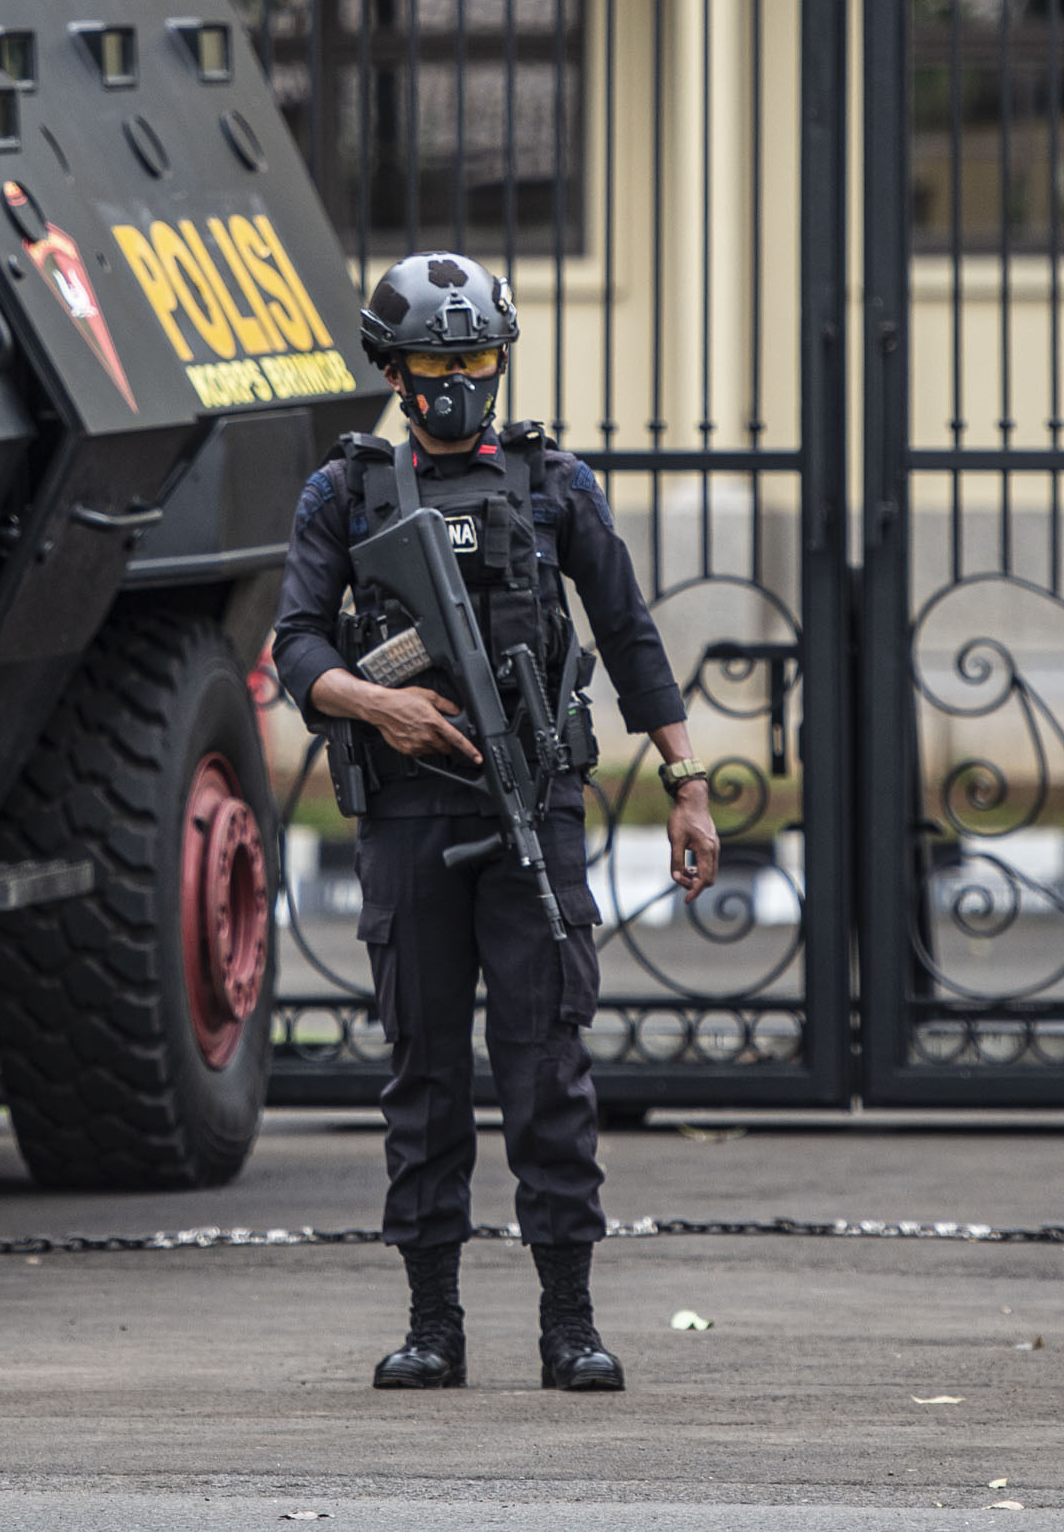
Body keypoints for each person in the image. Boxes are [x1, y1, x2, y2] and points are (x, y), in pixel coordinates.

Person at [272, 250, 721, 1393]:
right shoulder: (345, 491)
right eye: (434, 363)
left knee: (546, 1068)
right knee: (423, 1072)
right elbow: (294, 646)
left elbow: (627, 636)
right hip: (408, 815)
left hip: (536, 809)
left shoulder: (551, 484)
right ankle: (433, 1323)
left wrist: (686, 782)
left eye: (476, 360)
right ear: (393, 369)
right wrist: (375, 703)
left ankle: (567, 1322)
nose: (458, 384)